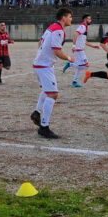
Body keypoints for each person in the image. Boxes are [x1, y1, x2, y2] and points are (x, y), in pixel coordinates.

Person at [30, 8, 75, 139]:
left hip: (40, 63)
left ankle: (37, 112)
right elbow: (57, 51)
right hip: (44, 66)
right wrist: (69, 58)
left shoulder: (52, 27)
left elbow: (40, 42)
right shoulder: (59, 30)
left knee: (47, 90)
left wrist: (42, 55)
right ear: (63, 18)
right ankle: (44, 127)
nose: (71, 19)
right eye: (70, 17)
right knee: (53, 94)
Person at [61, 14, 100, 87]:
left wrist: (93, 46)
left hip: (80, 50)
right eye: (89, 19)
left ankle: (74, 81)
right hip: (78, 50)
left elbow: (84, 41)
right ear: (85, 19)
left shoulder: (85, 27)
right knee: (86, 65)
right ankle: (69, 65)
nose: (90, 20)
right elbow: (75, 34)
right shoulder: (82, 27)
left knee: (80, 66)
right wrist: (74, 46)